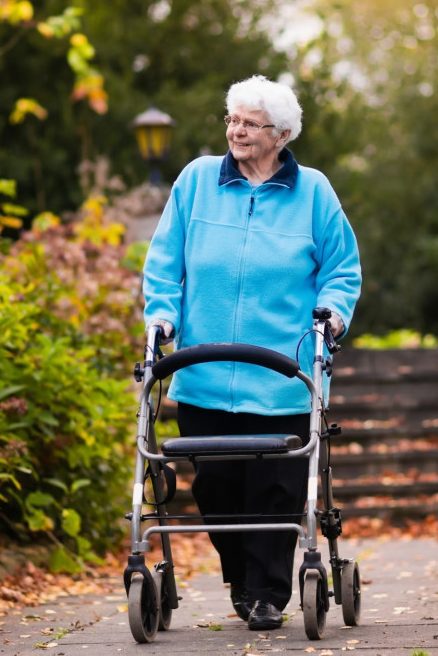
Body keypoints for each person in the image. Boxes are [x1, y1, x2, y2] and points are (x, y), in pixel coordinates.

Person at [142, 74, 362, 631]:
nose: (236, 131)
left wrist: (331, 315)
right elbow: (165, 261)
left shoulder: (313, 191)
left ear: (282, 134)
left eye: (250, 123)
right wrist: (161, 313)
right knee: (215, 488)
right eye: (232, 120)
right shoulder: (196, 182)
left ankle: (266, 593)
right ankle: (243, 579)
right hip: (204, 371)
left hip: (284, 376)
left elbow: (341, 270)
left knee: (278, 490)